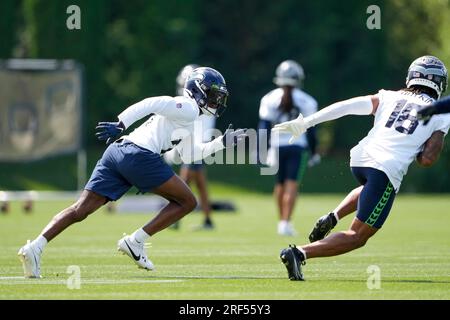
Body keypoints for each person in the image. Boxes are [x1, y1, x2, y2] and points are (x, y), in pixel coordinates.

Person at [17, 67, 247, 278]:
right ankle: (136, 241)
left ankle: (35, 247)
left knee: (80, 210)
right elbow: (151, 103)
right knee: (187, 201)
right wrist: (120, 123)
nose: (217, 101)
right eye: (214, 94)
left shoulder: (190, 117)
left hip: (117, 152)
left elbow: (188, 155)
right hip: (138, 155)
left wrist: (222, 143)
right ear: (199, 90)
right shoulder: (187, 107)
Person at [273, 55, 449, 280]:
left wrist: (306, 123)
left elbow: (347, 106)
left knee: (370, 187)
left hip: (360, 158)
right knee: (357, 236)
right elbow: (427, 160)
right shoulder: (442, 111)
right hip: (386, 167)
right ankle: (298, 253)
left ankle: (334, 216)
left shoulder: (389, 96)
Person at [258, 60, 320, 236]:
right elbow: (312, 131)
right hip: (297, 147)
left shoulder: (269, 98)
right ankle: (285, 222)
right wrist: (314, 152)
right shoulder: (307, 100)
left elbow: (263, 128)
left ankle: (282, 222)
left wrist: (262, 151)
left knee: (279, 185)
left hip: (277, 147)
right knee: (291, 185)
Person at [170, 64, 216, 230]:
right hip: (197, 143)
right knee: (200, 183)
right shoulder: (203, 100)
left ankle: (175, 217)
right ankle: (208, 219)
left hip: (196, 145)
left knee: (183, 182)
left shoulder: (197, 103)